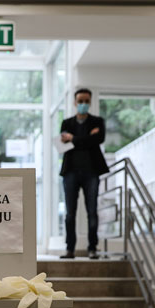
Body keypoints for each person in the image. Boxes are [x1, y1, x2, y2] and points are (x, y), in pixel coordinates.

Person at [59, 88, 108, 259]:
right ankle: (69, 249)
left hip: (91, 173)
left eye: (86, 101)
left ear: (90, 102)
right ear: (75, 102)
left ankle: (92, 248)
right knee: (69, 214)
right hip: (70, 173)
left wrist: (73, 139)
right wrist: (88, 138)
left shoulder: (98, 122)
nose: (83, 104)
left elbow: (98, 139)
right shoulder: (66, 123)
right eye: (80, 101)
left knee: (92, 212)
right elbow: (62, 145)